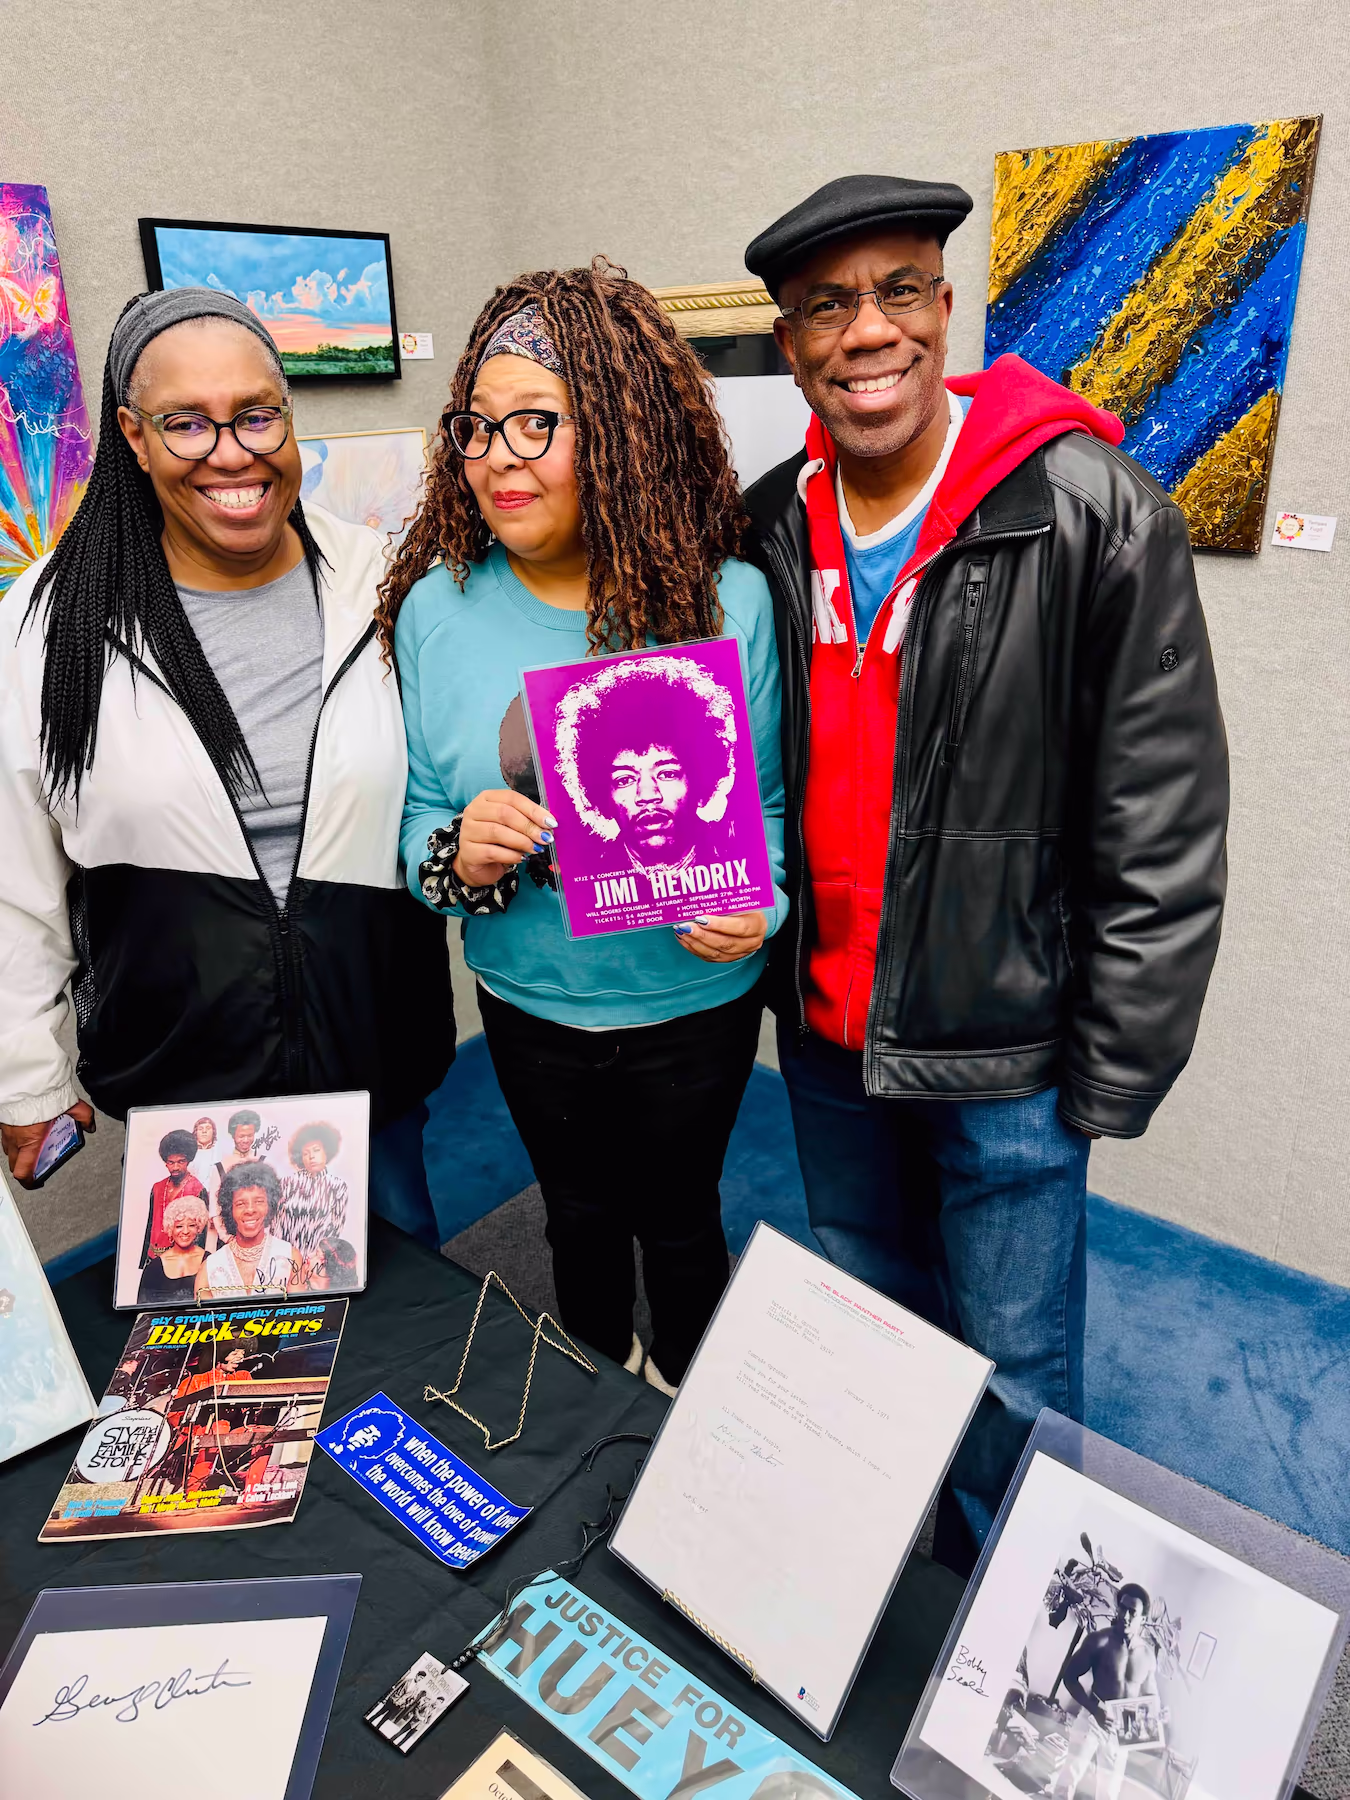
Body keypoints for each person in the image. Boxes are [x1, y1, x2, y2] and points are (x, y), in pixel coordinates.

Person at [742, 176, 1228, 1568]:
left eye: (898, 292)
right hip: (828, 1028)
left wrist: (1116, 1062)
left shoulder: (1093, 510)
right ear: (790, 346)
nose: (865, 332)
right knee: (872, 1321)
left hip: (1005, 1046)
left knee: (1016, 1376)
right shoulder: (767, 525)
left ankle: (1010, 1644)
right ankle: (898, 1596)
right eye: (826, 308)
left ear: (946, 310)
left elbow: (1163, 815)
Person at [381, 260, 788, 1392]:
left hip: (691, 1006)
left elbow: (772, 816)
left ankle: (690, 1411)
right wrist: (452, 854)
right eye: (476, 426)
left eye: (535, 424)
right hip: (526, 999)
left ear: (615, 433)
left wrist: (767, 908)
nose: (497, 455)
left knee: (683, 1218)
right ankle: (598, 1382)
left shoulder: (725, 600)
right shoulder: (436, 610)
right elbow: (417, 816)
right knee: (575, 1217)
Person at [0, 287, 452, 1245]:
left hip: (372, 1050)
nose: (232, 452)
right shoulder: (47, 631)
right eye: (185, 425)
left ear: (287, 412)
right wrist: (27, 1078)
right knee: (223, 1360)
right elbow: (14, 885)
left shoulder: (389, 581)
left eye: (256, 414)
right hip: (185, 1088)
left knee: (405, 1304)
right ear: (132, 434)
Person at [1053, 1585, 1159, 1800]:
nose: (1125, 1616)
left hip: (1121, 1727)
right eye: (1122, 1608)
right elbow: (1069, 1677)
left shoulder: (1148, 1656)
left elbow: (1151, 1695)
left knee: (1109, 1793)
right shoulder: (1098, 1641)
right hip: (1092, 1716)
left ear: (1143, 1620)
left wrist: (1144, 1727)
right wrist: (1095, 1710)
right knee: (1068, 1779)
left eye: (1133, 1612)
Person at [196, 1161, 298, 1298]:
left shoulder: (290, 1257)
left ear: (270, 1206)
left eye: (259, 1201)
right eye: (240, 1203)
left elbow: (301, 1316)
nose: (250, 1210)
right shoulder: (209, 1268)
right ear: (229, 1210)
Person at [140, 1128, 207, 1263]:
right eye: (171, 1162)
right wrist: (144, 1260)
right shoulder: (157, 1187)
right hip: (154, 1257)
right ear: (166, 1162)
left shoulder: (198, 1189)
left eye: (180, 1161)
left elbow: (201, 1233)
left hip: (183, 1260)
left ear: (188, 1161)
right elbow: (150, 1224)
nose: (175, 1167)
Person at [137, 1192, 210, 1304]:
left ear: (199, 1227)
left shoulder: (210, 1260)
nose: (185, 1231)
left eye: (191, 1225)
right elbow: (143, 1310)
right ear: (170, 1228)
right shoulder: (154, 1267)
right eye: (179, 1226)